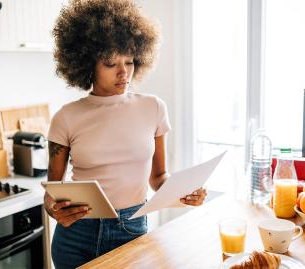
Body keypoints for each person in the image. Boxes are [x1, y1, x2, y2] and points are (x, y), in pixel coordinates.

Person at [44, 0, 207, 268]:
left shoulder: (153, 108)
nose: (124, 73)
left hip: (130, 230)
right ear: (87, 63)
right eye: (110, 63)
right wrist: (55, 210)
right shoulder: (66, 117)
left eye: (129, 61)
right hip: (76, 237)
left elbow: (158, 178)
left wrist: (184, 191)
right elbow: (52, 191)